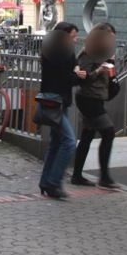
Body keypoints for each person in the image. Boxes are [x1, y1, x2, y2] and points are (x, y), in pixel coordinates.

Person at [39, 22, 85, 199]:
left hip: (55, 101)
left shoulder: (52, 51)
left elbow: (73, 67)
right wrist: (79, 76)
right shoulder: (59, 54)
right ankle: (53, 182)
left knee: (56, 142)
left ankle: (45, 182)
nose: (74, 40)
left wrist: (75, 72)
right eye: (72, 37)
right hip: (55, 102)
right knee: (68, 141)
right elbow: (67, 77)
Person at [73, 23, 119, 189]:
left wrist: (110, 69)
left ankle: (77, 175)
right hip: (87, 99)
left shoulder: (105, 53)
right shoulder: (87, 53)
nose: (111, 43)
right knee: (108, 131)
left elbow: (107, 79)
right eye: (109, 39)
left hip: (97, 98)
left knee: (87, 136)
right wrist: (99, 71)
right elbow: (82, 79)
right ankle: (104, 177)